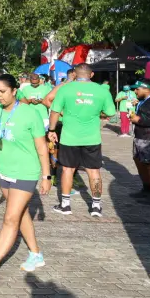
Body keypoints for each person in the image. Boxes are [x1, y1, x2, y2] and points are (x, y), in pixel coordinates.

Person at [0, 74, 52, 283]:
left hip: (25, 172)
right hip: (2, 170)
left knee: (10, 219)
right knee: (20, 212)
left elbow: (42, 147)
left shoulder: (30, 113)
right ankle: (35, 254)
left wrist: (47, 175)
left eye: (2, 92)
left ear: (14, 91)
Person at [48, 63, 116, 217]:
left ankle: (65, 205)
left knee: (67, 170)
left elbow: (55, 111)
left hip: (69, 137)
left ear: (75, 75)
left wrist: (51, 130)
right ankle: (96, 206)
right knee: (94, 171)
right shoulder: (101, 90)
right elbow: (110, 112)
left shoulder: (65, 88)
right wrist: (95, 112)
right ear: (91, 75)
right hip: (92, 138)